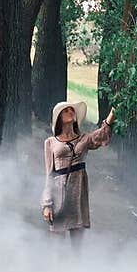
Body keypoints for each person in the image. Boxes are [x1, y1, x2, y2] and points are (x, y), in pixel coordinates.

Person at [41, 100, 115, 238]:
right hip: (59, 192)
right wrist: (47, 204)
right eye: (66, 110)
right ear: (59, 118)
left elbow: (101, 135)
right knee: (58, 244)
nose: (71, 111)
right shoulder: (50, 142)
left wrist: (113, 113)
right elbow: (49, 174)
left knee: (77, 242)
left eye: (72, 109)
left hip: (78, 190)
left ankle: (77, 261)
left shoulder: (84, 138)